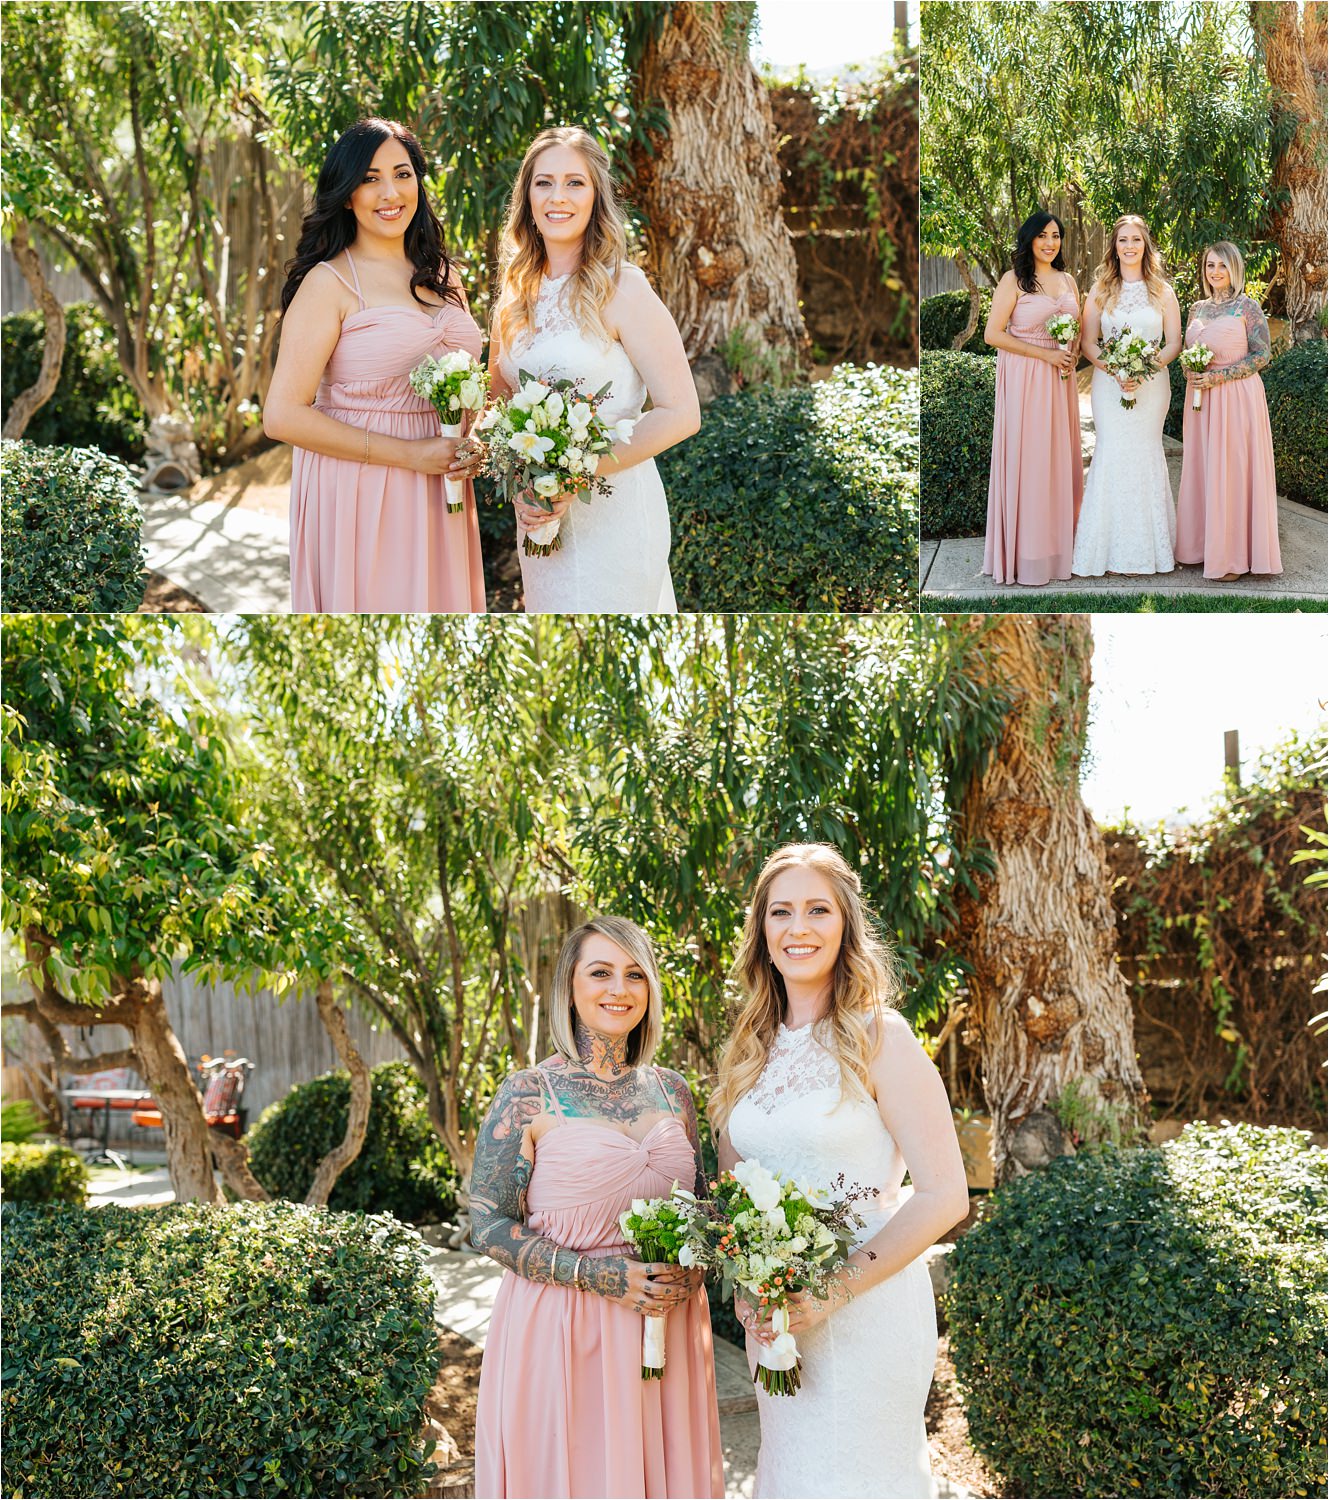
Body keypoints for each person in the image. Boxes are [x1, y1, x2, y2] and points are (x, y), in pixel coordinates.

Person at [712, 844, 969, 1499]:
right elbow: (737, 1194)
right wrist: (750, 1286)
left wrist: (830, 1293)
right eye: (781, 912)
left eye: (817, 909)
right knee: (792, 1474)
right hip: (777, 1323)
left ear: (845, 927)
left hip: (868, 1308)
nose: (798, 927)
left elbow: (944, 1195)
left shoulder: (880, 1038)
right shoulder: (749, 1053)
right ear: (762, 933)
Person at [471, 916, 723, 1499]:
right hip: (564, 1325)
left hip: (670, 1329)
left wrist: (696, 1263)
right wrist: (597, 1275)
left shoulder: (674, 1091)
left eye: (635, 975)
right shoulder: (528, 1092)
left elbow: (707, 1208)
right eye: (601, 972)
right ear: (570, 985)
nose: (619, 989)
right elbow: (487, 1223)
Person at [264, 118, 487, 612]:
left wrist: (477, 442)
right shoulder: (328, 283)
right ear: (346, 195)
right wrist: (409, 456)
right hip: (362, 488)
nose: (390, 192)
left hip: (443, 488)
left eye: (402, 174)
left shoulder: (445, 275)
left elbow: (474, 388)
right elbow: (281, 415)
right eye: (369, 178)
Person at [486, 126, 699, 613]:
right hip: (539, 522)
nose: (557, 197)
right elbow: (498, 405)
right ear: (527, 197)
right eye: (543, 183)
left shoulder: (624, 288)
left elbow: (682, 412)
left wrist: (574, 477)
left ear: (596, 196)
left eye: (574, 183)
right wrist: (524, 478)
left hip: (617, 514)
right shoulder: (514, 297)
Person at [1072, 214, 1181, 578]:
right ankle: (1104, 550)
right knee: (1113, 452)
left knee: (1146, 453)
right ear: (1114, 247)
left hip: (1152, 387)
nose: (1130, 246)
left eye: (1136, 239)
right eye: (1123, 240)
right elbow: (1088, 342)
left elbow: (1174, 343)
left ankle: (1150, 550)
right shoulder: (1100, 290)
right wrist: (1117, 370)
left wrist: (1143, 369)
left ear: (1145, 245)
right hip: (1108, 384)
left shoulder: (1163, 291)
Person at [982, 210, 1083, 586]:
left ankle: (1060, 552)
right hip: (1025, 378)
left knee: (1057, 460)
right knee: (1030, 462)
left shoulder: (1069, 280)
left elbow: (1077, 328)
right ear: (1029, 239)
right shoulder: (1014, 280)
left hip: (1060, 380)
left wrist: (1069, 353)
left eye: (1056, 235)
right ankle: (1027, 556)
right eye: (1042, 235)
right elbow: (993, 334)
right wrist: (1045, 354)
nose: (1050, 242)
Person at [1175, 241, 1282, 580]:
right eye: (1210, 265)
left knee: (1232, 471)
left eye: (1222, 265)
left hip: (1236, 398)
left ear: (1234, 269)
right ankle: (1201, 547)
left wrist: (1218, 375)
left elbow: (1261, 355)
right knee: (1203, 466)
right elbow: (1186, 351)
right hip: (1201, 402)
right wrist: (1190, 371)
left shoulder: (1247, 307)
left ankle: (1233, 557)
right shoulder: (1196, 309)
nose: (1215, 272)